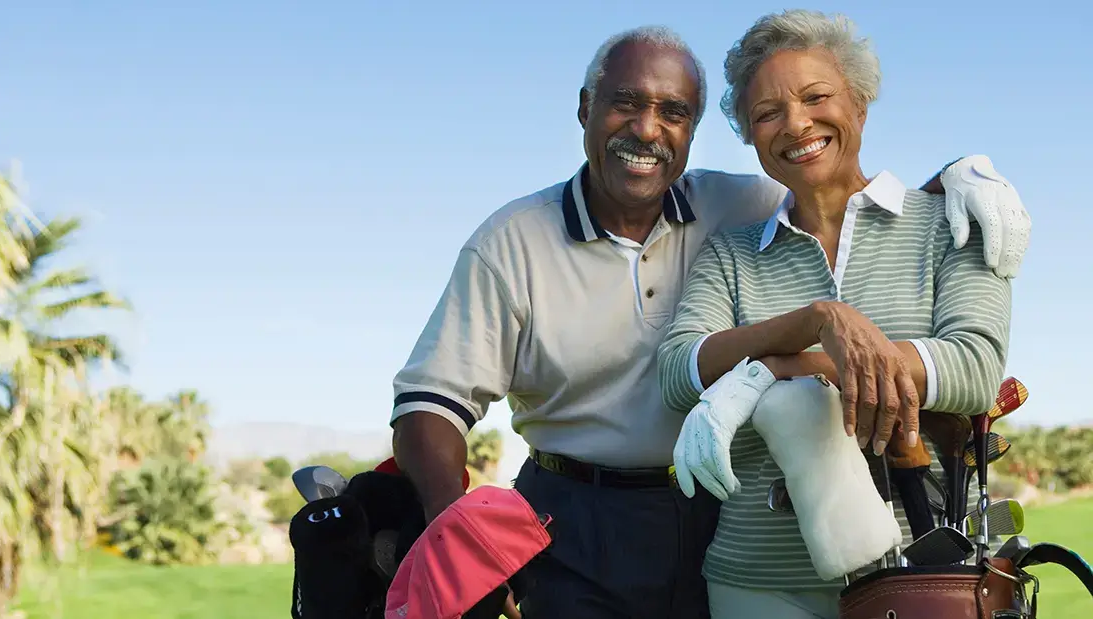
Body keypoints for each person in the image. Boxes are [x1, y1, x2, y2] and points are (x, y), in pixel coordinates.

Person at [389, 24, 1030, 619]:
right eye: (624, 103)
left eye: (673, 112)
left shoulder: (735, 205)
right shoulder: (516, 240)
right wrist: (452, 528)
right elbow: (433, 401)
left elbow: (851, 198)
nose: (647, 129)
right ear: (585, 107)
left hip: (705, 506)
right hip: (575, 515)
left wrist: (964, 172)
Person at [657, 10, 1017, 619]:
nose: (796, 123)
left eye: (816, 96)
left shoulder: (951, 225)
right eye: (767, 113)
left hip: (925, 576)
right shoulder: (731, 251)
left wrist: (767, 371)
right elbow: (678, 372)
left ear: (861, 104)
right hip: (757, 579)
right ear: (749, 133)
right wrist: (817, 320)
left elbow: (973, 366)